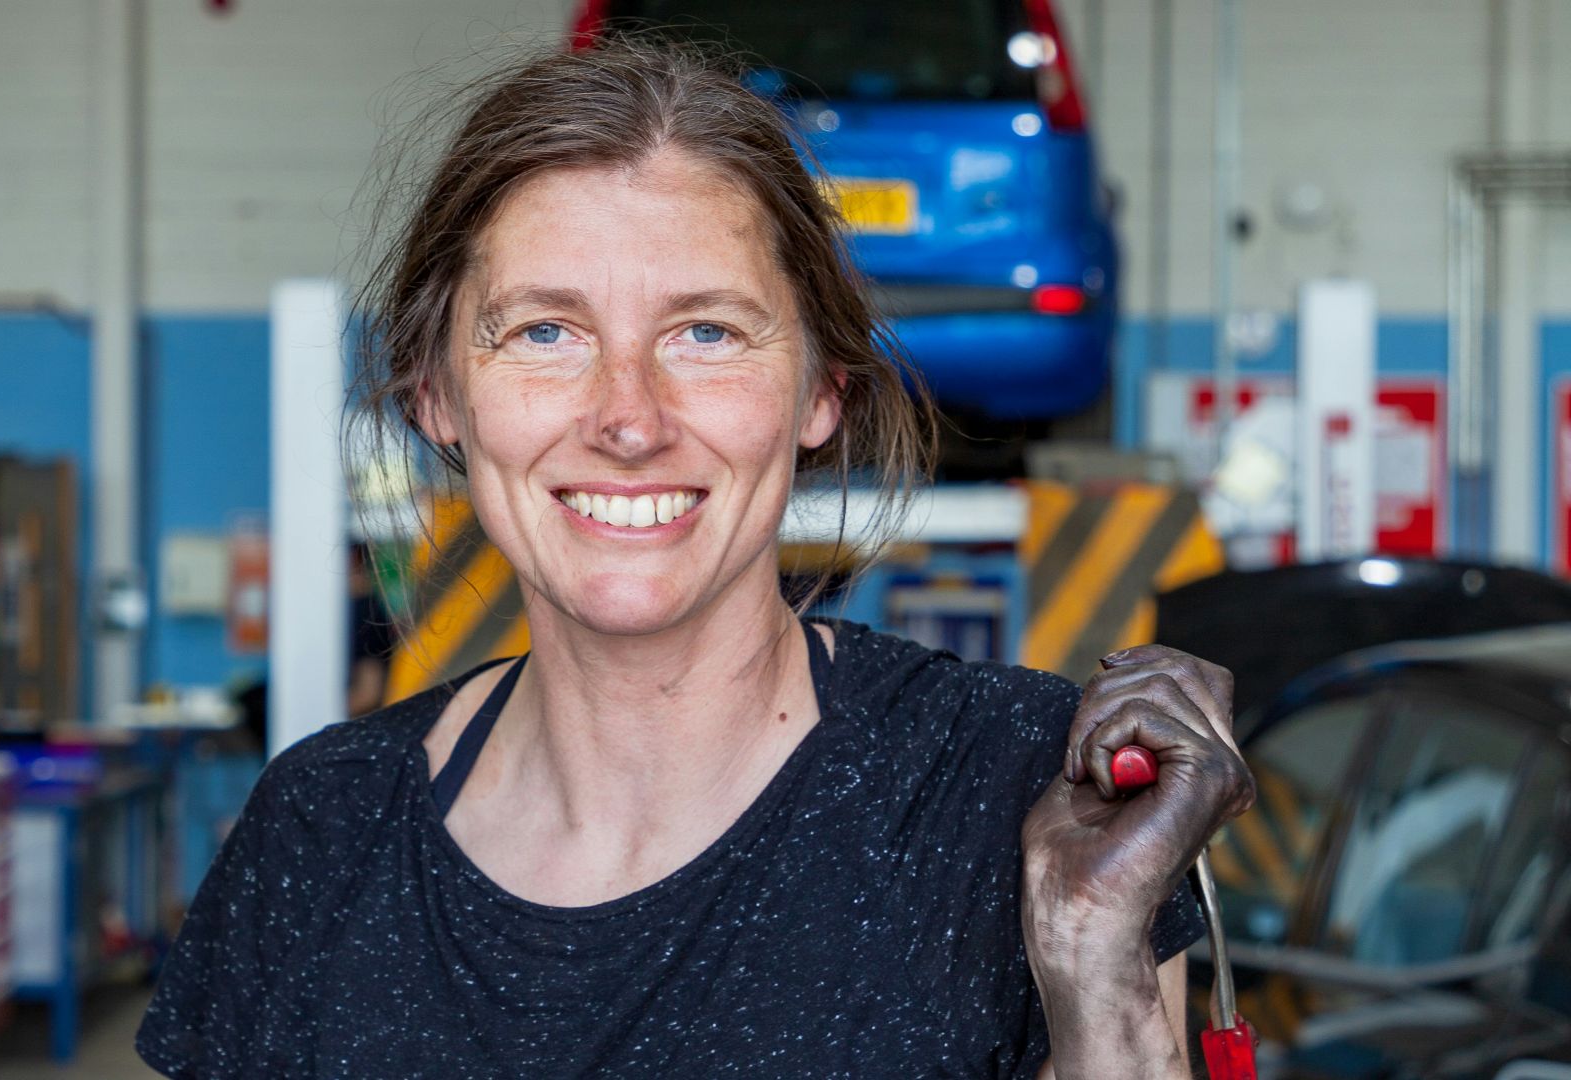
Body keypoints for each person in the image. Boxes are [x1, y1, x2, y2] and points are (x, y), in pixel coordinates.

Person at [137, 38, 1253, 1079]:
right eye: (545, 332)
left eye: (706, 332)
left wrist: (1097, 962)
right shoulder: (319, 831)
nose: (628, 418)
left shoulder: (1018, 794)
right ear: (438, 393)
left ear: (821, 392)